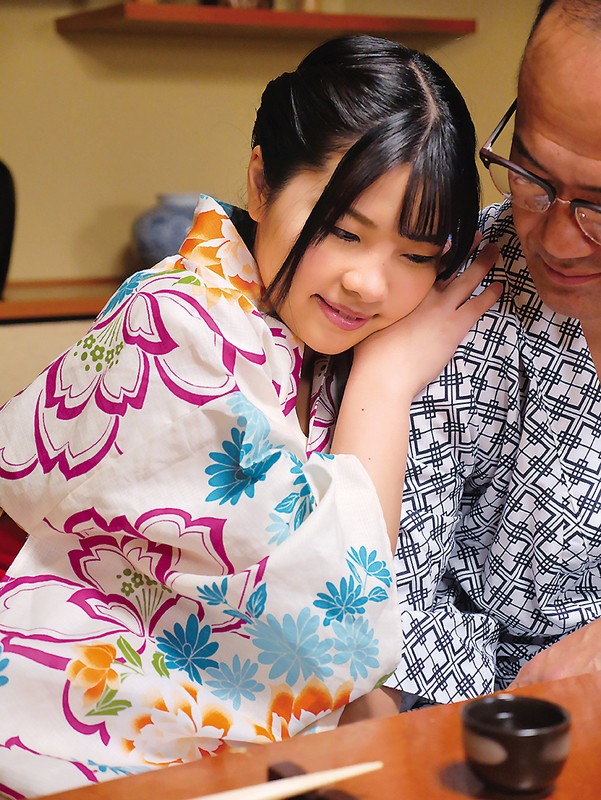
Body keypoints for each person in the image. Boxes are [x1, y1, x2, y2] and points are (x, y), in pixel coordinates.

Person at [0, 35, 498, 796]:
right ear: (261, 182)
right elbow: (330, 605)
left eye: (415, 254)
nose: (368, 283)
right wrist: (388, 381)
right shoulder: (181, 329)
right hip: (72, 730)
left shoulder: (313, 336)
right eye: (341, 230)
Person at [386, 0, 601, 709]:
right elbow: (379, 606)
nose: (558, 241)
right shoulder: (456, 289)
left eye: (600, 205)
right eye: (531, 176)